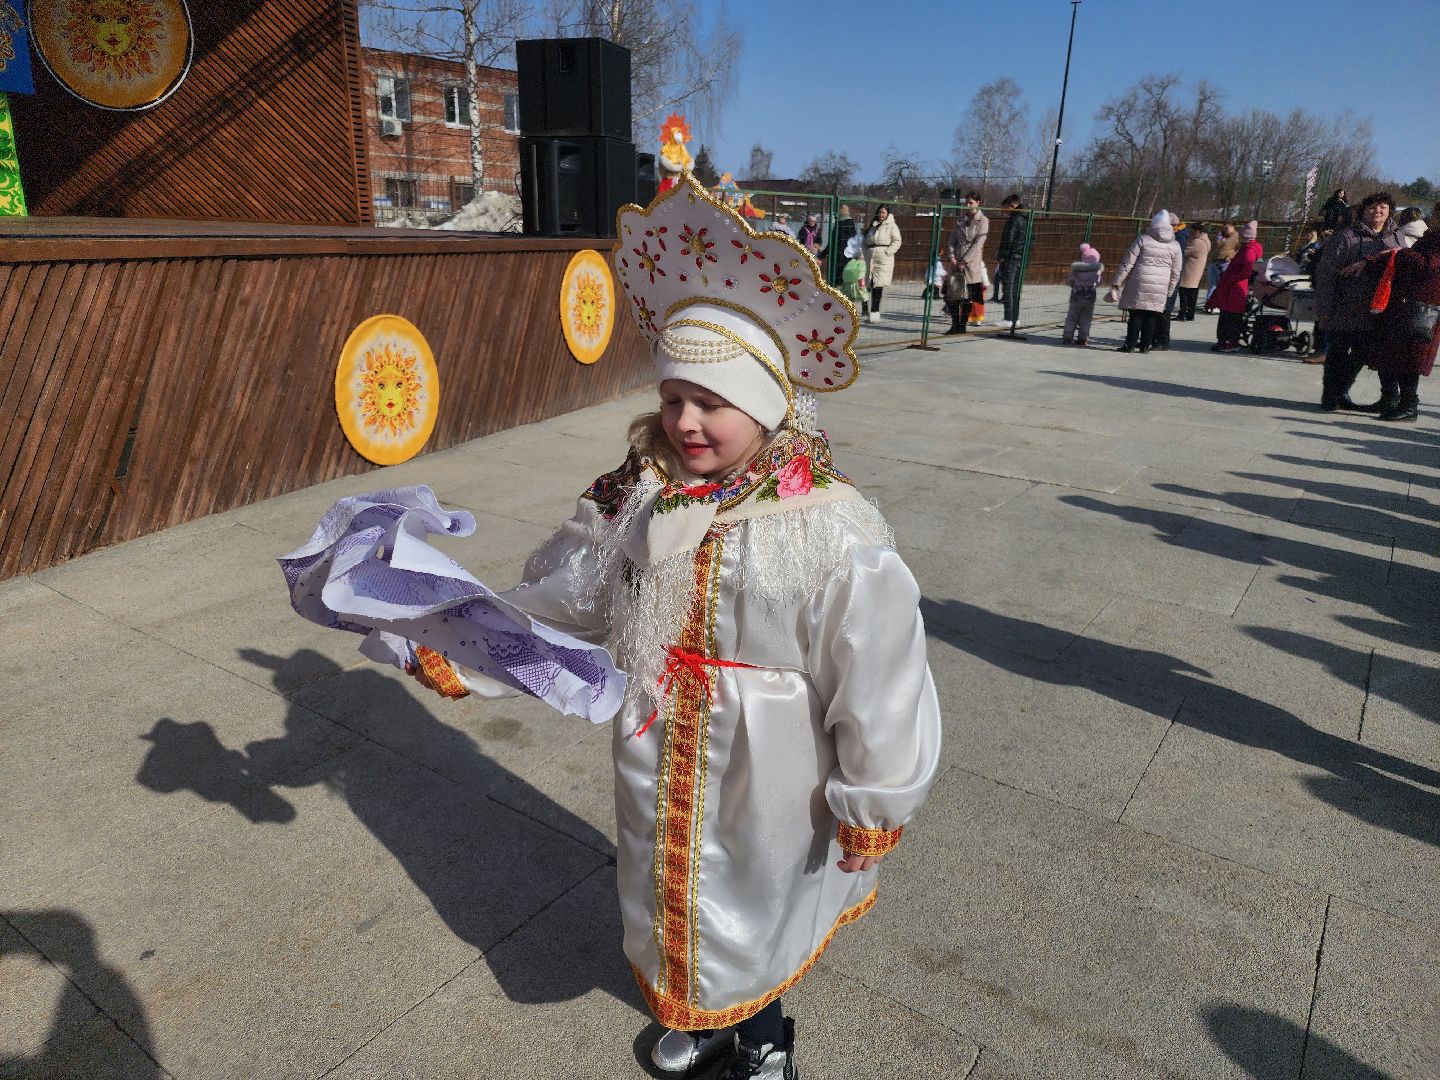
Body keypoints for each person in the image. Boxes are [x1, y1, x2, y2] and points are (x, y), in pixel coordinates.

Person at [407, 176, 941, 1079]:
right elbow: (575, 600)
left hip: (770, 768)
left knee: (757, 895)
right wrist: (472, 647)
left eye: (713, 403)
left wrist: (875, 795)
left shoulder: (826, 532)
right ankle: (697, 1003)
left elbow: (880, 673)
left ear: (767, 407)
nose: (686, 422)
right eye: (673, 398)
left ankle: (763, 1029)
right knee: (669, 887)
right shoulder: (640, 500)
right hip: (660, 738)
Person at [1343, 227, 1440, 421]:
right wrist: (1371, 261)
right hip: (1404, 303)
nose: (1432, 219)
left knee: (1410, 358)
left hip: (1423, 308)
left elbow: (1428, 265)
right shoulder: (1431, 237)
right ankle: (1390, 399)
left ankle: (1409, 405)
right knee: (1391, 353)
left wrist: (1401, 251)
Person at [1313, 191, 1399, 410]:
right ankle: (1330, 397)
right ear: (1364, 211)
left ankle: (1340, 390)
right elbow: (1326, 273)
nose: (1377, 211)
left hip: (1377, 310)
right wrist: (1325, 308)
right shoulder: (1347, 236)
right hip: (1344, 307)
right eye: (1372, 207)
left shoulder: (1396, 237)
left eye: (1382, 207)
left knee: (1363, 354)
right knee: (1337, 354)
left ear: (1389, 211)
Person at [1109, 210, 1183, 353]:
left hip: (1139, 282)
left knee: (1136, 314)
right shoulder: (1175, 245)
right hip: (1161, 285)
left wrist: (1117, 281)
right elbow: (1176, 271)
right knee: (1151, 316)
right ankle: (1145, 346)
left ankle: (1129, 345)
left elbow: (1127, 263)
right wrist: (1170, 290)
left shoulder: (1143, 239)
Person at [1209, 220, 1263, 353]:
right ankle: (1227, 340)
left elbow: (1246, 270)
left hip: (1235, 288)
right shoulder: (1249, 249)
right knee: (1230, 315)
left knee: (1230, 316)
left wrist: (1231, 279)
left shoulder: (1248, 251)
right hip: (1235, 287)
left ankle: (1229, 342)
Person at [944, 193, 988, 334]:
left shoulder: (983, 220)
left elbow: (978, 243)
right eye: (966, 202)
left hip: (971, 264)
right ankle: (954, 324)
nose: (967, 205)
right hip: (956, 262)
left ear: (978, 203)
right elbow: (952, 240)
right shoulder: (961, 219)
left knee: (967, 297)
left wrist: (965, 261)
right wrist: (952, 257)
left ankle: (962, 325)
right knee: (952, 296)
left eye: (970, 202)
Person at [994, 194, 1029, 331]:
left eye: (1005, 209)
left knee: (1008, 288)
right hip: (1022, 257)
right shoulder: (1027, 218)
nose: (1004, 212)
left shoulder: (1014, 219)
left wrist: (1002, 255)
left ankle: (1009, 318)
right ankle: (1015, 318)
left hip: (1011, 258)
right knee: (1015, 289)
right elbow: (1031, 239)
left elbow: (1008, 239)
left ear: (1013, 205)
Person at [1155, 212, 1188, 349]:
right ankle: (1153, 338)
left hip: (1170, 279)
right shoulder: (1175, 237)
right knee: (1157, 310)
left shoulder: (1179, 238)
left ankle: (1162, 341)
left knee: (1165, 310)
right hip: (1162, 277)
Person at [864, 204, 902, 323]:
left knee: (878, 285)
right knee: (869, 284)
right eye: (880, 212)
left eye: (883, 213)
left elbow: (897, 241)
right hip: (870, 258)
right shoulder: (873, 226)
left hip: (884, 259)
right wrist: (865, 252)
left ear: (887, 214)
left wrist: (887, 252)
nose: (881, 215)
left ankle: (875, 312)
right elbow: (867, 241)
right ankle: (868, 311)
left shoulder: (892, 226)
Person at [1063, 243, 1104, 346]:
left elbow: (1069, 281)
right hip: (1089, 298)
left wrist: (1074, 283)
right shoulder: (1096, 271)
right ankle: (1083, 338)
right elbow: (1099, 282)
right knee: (1086, 318)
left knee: (1072, 317)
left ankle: (1067, 337)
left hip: (1076, 297)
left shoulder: (1076, 269)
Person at [1177, 220, 1210, 320]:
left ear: (1197, 231)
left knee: (1184, 293)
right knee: (1192, 294)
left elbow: (1184, 251)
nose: (1190, 233)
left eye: (1192, 231)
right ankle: (1190, 314)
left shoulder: (1197, 242)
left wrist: (1188, 241)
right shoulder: (1206, 241)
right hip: (1196, 270)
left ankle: (1183, 313)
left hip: (1190, 270)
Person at [1207, 223, 1239, 305]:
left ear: (1233, 227)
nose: (1225, 229)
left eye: (1228, 227)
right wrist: (1218, 238)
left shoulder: (1237, 237)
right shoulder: (1221, 235)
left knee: (1222, 285)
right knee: (1212, 284)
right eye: (1224, 227)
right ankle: (1210, 303)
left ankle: (1220, 303)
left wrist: (1231, 256)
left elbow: (1239, 249)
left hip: (1225, 263)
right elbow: (1216, 246)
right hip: (1214, 261)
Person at [840, 234, 868, 313]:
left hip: (860, 273)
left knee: (861, 291)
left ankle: (864, 309)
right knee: (857, 292)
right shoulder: (853, 261)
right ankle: (852, 309)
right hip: (857, 272)